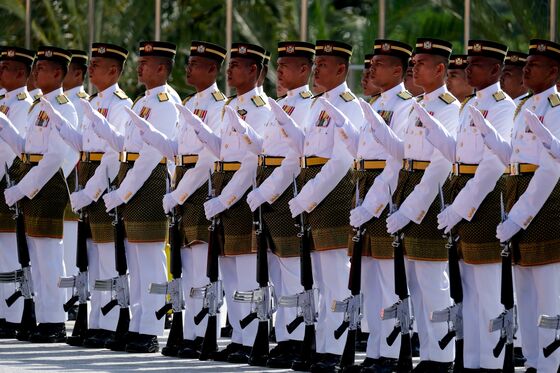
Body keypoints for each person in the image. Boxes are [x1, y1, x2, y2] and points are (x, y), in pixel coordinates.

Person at [133, 40, 227, 359]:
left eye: (195, 63)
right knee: (184, 266)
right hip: (182, 185)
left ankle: (203, 332)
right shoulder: (188, 101)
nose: (187, 68)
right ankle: (188, 331)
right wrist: (153, 137)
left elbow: (206, 158)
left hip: (199, 187)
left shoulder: (217, 105)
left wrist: (180, 193)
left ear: (212, 70)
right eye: (188, 62)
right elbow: (178, 149)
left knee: (201, 266)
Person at [474, 39, 560, 373]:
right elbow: (516, 158)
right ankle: (536, 361)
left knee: (548, 289)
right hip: (517, 192)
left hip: (545, 201)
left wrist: (520, 216)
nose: (525, 70)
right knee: (524, 289)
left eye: (534, 66)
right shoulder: (524, 106)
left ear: (553, 72)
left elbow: (551, 169)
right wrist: (495, 142)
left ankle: (553, 363)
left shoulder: (555, 107)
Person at [428, 39, 514, 371]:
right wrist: (436, 133)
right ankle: (473, 359)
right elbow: (459, 156)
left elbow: (492, 166)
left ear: (495, 70)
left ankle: (493, 363)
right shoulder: (468, 106)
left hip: (486, 200)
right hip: (462, 194)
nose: (467, 70)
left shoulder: (504, 106)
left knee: (490, 291)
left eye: (476, 65)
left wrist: (461, 207)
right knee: (469, 290)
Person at [184, 42, 272, 364]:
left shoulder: (262, 107)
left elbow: (252, 162)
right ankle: (237, 336)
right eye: (230, 64)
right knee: (230, 271)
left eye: (237, 65)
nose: (230, 70)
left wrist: (226, 198)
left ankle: (251, 339)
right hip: (223, 189)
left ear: (254, 70)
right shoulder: (228, 106)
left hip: (242, 195)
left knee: (248, 271)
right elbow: (221, 151)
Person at [374, 38, 459, 372]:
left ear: (440, 69)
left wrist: (412, 208)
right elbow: (400, 159)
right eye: (414, 62)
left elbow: (439, 165)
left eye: (421, 62)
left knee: (432, 280)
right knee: (409, 280)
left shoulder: (449, 106)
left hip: (430, 195)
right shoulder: (409, 106)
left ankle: (441, 356)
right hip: (406, 188)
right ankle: (423, 352)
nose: (414, 67)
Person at [280, 39, 363, 372]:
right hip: (313, 199)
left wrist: (308, 196)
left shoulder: (347, 104)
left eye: (324, 66)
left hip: (333, 198)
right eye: (316, 65)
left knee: (335, 278)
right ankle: (321, 346)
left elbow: (341, 161)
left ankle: (337, 349)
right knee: (316, 279)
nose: (316, 72)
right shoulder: (316, 105)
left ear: (341, 70)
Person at [91, 41, 179, 353]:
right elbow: (126, 147)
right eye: (140, 61)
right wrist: (103, 130)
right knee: (137, 264)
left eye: (146, 62)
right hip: (132, 180)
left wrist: (123, 191)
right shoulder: (143, 101)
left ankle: (151, 328)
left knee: (152, 260)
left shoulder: (166, 103)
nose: (140, 67)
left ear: (162, 69)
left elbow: (151, 155)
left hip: (150, 183)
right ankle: (138, 322)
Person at [52, 43, 132, 348]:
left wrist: (92, 191)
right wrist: (59, 123)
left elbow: (114, 153)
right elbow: (83, 145)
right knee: (92, 258)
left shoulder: (120, 104)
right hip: (86, 183)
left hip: (104, 185)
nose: (91, 70)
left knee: (109, 258)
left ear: (112, 70)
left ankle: (111, 323)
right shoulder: (95, 102)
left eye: (96, 65)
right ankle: (97, 321)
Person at [241, 40, 315, 368]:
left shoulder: (308, 105)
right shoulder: (282, 104)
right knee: (274, 268)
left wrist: (267, 191)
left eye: (287, 66)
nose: (280, 71)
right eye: (279, 65)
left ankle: (298, 338)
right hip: (269, 190)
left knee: (293, 269)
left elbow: (292, 160)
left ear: (304, 70)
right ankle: (284, 337)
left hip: (286, 190)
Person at [342, 39, 415, 372]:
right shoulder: (373, 103)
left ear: (398, 70)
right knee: (368, 277)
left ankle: (390, 352)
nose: (371, 68)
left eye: (380, 64)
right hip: (364, 186)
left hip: (386, 193)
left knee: (388, 279)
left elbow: (396, 161)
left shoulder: (404, 105)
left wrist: (371, 205)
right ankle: (374, 350)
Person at [0, 46, 78, 343]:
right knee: (33, 256)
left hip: (47, 185)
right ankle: (41, 317)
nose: (36, 73)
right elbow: (26, 148)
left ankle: (54, 320)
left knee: (48, 257)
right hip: (33, 180)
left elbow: (56, 154)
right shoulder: (38, 106)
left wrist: (24, 187)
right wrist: (7, 128)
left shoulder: (61, 105)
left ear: (58, 74)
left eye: (42, 69)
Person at [0, 46, 34, 339]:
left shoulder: (25, 103)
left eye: (5, 69)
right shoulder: (3, 100)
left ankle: (14, 314)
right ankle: (3, 310)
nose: (0, 73)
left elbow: (19, 149)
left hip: (9, 181)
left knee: (11, 252)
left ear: (21, 74)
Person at [60, 49, 90, 312]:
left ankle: (71, 297)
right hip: (63, 176)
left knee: (70, 242)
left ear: (78, 74)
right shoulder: (60, 101)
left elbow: (80, 148)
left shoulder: (79, 102)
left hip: (72, 178)